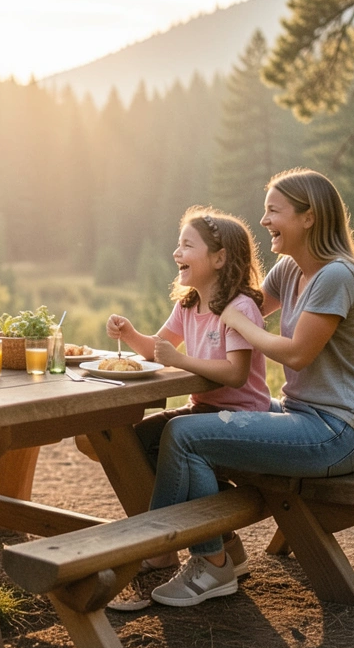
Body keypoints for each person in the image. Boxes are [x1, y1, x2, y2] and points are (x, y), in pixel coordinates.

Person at [146, 168, 354, 608]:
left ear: (309, 217)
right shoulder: (290, 270)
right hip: (297, 414)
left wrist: (234, 322)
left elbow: (296, 353)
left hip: (336, 431)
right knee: (160, 430)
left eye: (273, 211)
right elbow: (239, 303)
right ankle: (220, 546)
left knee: (185, 437)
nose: (263, 222)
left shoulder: (337, 276)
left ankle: (204, 562)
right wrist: (199, 287)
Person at [102, 207, 271, 610]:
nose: (177, 251)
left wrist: (180, 361)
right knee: (138, 438)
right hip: (204, 412)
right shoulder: (189, 304)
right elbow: (158, 350)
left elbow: (234, 374)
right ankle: (223, 542)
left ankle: (182, 551)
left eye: (187, 245)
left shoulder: (239, 308)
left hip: (241, 418)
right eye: (178, 243)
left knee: (180, 440)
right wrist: (131, 333)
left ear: (219, 258)